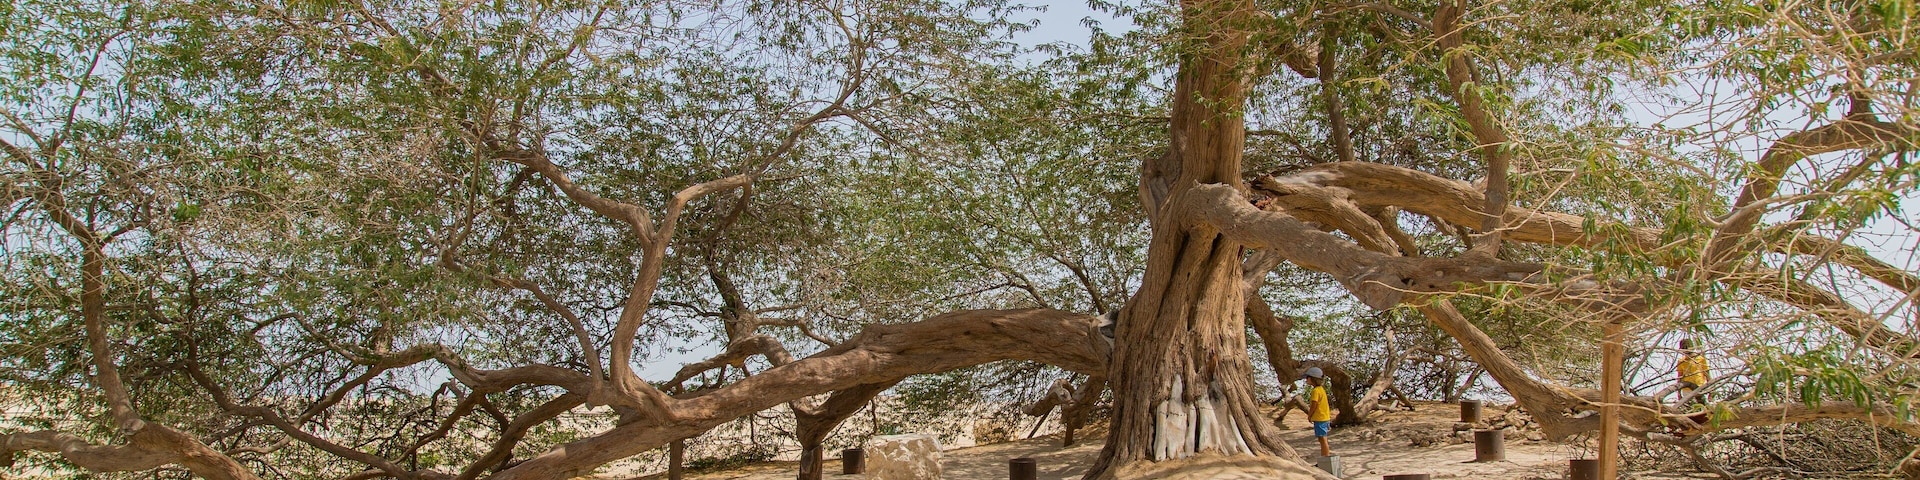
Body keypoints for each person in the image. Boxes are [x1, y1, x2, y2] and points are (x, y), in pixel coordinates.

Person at [1301, 367, 1333, 457]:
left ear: (1312, 378)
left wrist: (1310, 415)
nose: (1306, 380)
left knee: (1322, 439)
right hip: (1324, 417)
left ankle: (1325, 458)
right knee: (1322, 439)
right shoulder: (1321, 390)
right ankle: (1325, 457)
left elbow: (1314, 404)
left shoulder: (1315, 391)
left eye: (1307, 378)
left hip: (1320, 418)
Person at [1677, 338, 1709, 404]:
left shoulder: (1700, 359)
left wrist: (1710, 390)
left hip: (1699, 387)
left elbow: (1707, 374)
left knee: (1702, 406)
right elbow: (1680, 377)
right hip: (1686, 390)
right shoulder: (1681, 361)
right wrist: (1679, 393)